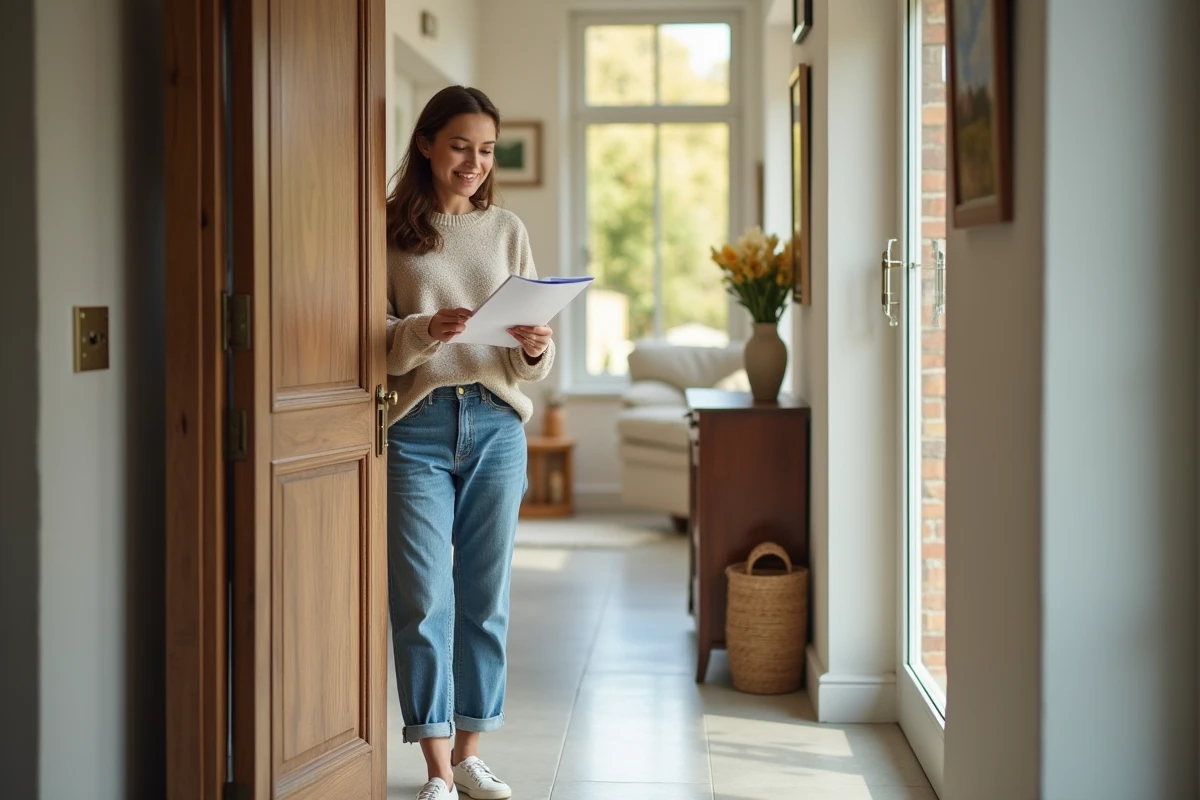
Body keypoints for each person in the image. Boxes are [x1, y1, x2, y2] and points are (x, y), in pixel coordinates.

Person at [383, 85, 554, 800]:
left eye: (485, 151)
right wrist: (425, 330)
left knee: (485, 598)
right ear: (426, 143)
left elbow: (532, 363)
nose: (474, 163)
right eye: (460, 146)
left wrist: (537, 346)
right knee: (423, 599)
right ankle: (435, 769)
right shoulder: (386, 233)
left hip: (495, 423)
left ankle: (473, 753)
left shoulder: (508, 230)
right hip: (417, 427)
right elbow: (377, 349)